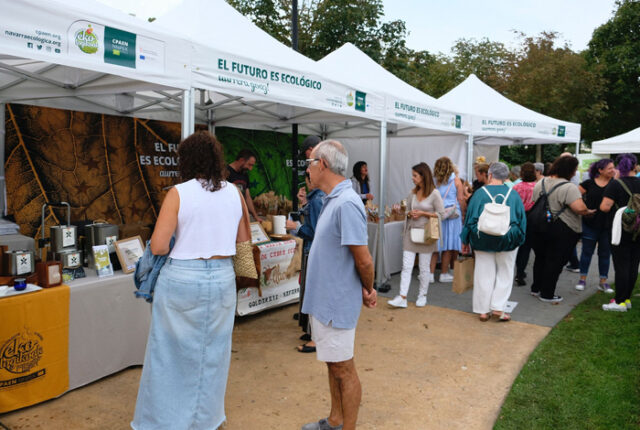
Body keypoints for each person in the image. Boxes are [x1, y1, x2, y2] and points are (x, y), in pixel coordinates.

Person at [132, 131, 250, 430]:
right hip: (223, 278)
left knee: (168, 356)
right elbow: (243, 242)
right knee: (213, 356)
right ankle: (205, 420)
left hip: (182, 277)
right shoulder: (234, 193)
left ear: (186, 160)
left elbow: (158, 246)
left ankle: (164, 423)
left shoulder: (179, 193)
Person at [301, 140, 376, 430]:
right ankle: (335, 420)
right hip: (326, 302)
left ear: (322, 164)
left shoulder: (346, 202)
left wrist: (368, 290)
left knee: (344, 367)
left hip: (335, 302)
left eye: (310, 163)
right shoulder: (334, 198)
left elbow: (364, 260)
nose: (307, 169)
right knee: (334, 364)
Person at [461, 162, 526, 322]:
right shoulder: (513, 194)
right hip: (508, 239)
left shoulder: (479, 194)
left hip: (481, 238)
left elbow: (470, 219)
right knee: (505, 272)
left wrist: (465, 239)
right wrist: (520, 238)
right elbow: (521, 220)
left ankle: (483, 310)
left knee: (483, 273)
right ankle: (498, 307)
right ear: (506, 176)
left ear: (490, 175)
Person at [530, 156, 595, 303]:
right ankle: (547, 293)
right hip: (562, 228)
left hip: (538, 226)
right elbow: (579, 208)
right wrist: (588, 211)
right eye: (575, 169)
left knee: (540, 258)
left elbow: (535, 201)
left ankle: (536, 288)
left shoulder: (541, 182)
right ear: (570, 170)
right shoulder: (569, 187)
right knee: (555, 261)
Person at [388, 162, 445, 308]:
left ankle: (422, 295)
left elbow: (441, 215)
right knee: (407, 266)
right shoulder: (412, 193)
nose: (412, 178)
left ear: (423, 176)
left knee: (424, 268)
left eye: (415, 175)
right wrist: (403, 212)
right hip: (411, 233)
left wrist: (423, 213)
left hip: (427, 235)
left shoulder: (434, 194)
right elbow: (406, 211)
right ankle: (402, 297)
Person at [286, 172, 326, 353]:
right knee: (309, 293)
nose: (305, 184)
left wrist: (297, 227)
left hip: (313, 250)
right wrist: (304, 203)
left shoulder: (318, 199)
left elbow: (317, 231)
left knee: (312, 294)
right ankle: (312, 333)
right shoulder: (316, 198)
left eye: (307, 179)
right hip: (312, 250)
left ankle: (316, 338)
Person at [599, 154, 640, 312]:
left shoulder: (615, 185)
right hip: (638, 229)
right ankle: (627, 298)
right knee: (633, 264)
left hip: (620, 230)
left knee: (621, 265)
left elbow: (605, 207)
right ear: (634, 166)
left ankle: (620, 302)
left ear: (619, 167)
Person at [575, 159, 615, 293]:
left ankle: (603, 282)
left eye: (613, 168)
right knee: (586, 252)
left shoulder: (614, 184)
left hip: (608, 226)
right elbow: (574, 196)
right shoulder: (588, 183)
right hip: (590, 224)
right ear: (600, 170)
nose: (613, 170)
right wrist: (584, 209)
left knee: (605, 254)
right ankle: (582, 279)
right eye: (610, 168)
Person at [430, 157, 465, 282]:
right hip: (452, 215)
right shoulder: (456, 181)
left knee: (435, 245)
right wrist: (464, 213)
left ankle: (430, 274)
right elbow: (460, 199)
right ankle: (444, 273)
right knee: (449, 245)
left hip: (437, 214)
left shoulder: (434, 181)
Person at [513, 162, 537, 286]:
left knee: (519, 246)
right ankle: (520, 272)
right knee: (527, 247)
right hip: (533, 218)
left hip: (518, 217)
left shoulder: (517, 187)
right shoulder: (538, 187)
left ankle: (518, 270)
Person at [227, 148, 262, 221]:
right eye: (249, 165)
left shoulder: (245, 175)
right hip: (228, 217)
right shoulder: (225, 172)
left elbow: (247, 197)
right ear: (242, 160)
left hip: (241, 217)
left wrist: (255, 216)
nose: (250, 169)